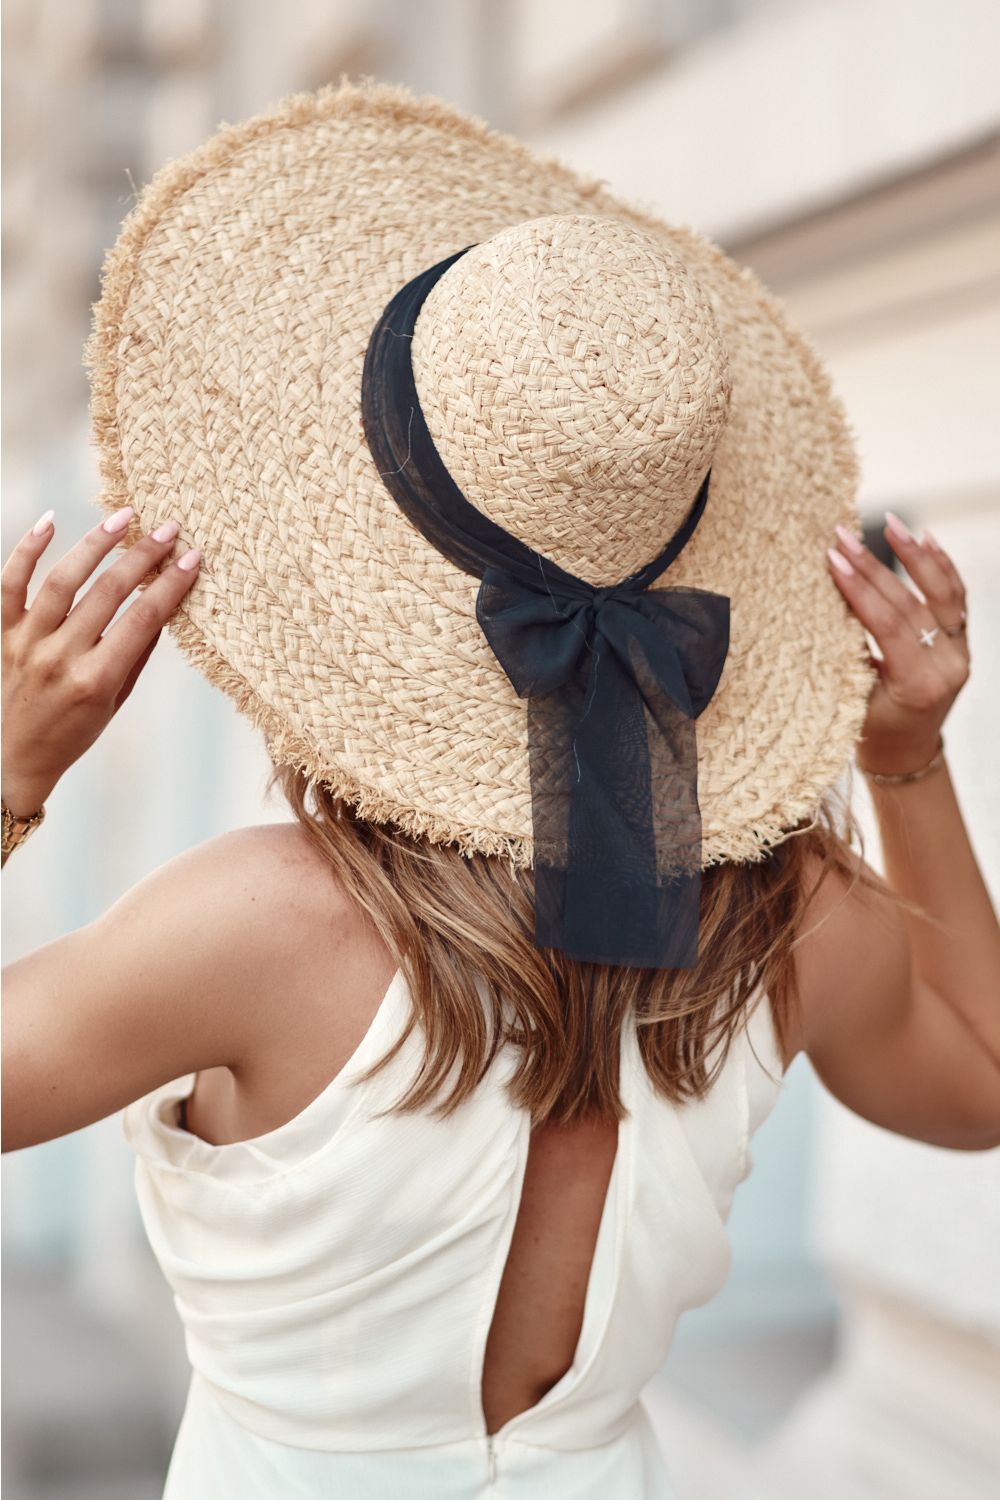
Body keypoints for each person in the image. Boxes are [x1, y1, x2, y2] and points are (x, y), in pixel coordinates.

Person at [3, 78, 998, 1499]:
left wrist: (15, 768)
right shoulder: (795, 919)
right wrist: (904, 757)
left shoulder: (253, 927)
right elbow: (979, 1084)